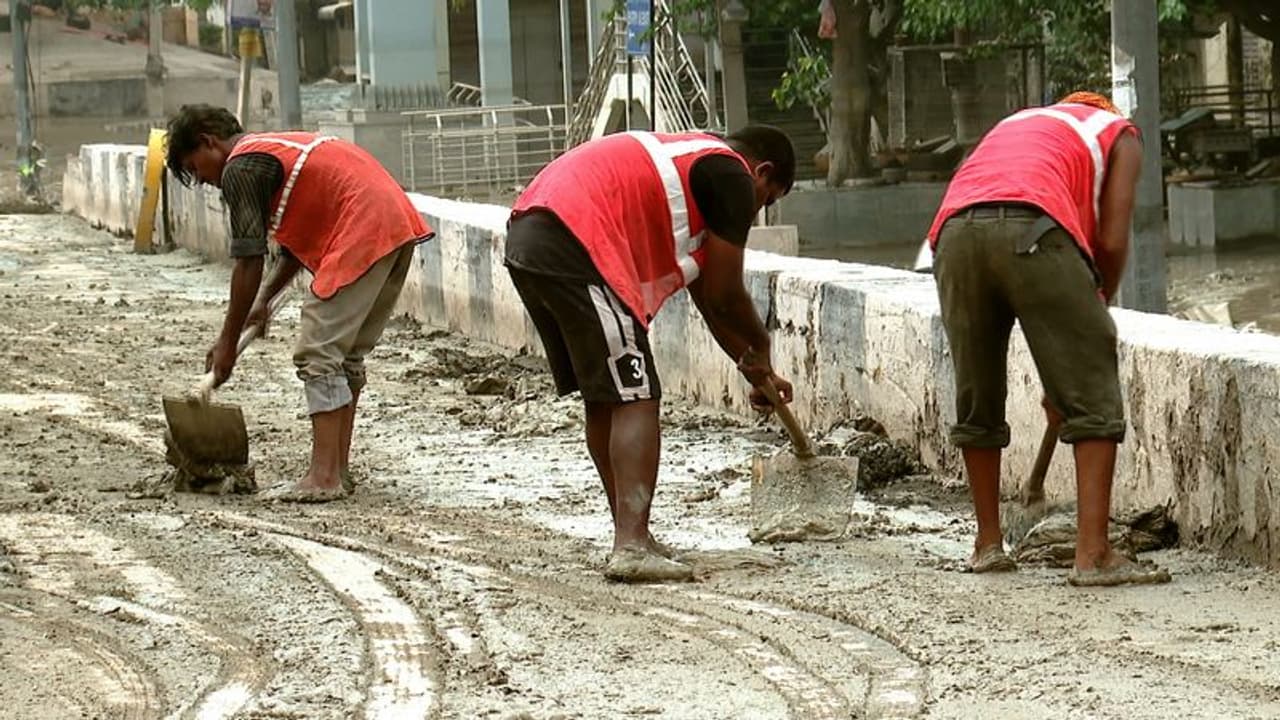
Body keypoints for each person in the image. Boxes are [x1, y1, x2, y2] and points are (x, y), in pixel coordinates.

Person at [505, 126, 797, 583]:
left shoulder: (694, 163)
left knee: (608, 398)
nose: (757, 210)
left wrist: (755, 368)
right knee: (637, 395)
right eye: (768, 199)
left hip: (531, 235)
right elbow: (726, 294)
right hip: (578, 241)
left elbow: (709, 299)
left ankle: (631, 534)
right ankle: (632, 545)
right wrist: (762, 345)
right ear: (762, 172)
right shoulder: (732, 176)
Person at [922, 91, 1170, 586]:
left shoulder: (1022, 122)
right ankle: (1093, 555)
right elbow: (1112, 239)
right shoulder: (1119, 134)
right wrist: (1095, 310)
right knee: (1093, 394)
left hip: (953, 235)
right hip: (1033, 227)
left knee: (977, 391)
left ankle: (987, 545)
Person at [165, 104, 433, 502]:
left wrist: (227, 342)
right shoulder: (276, 150)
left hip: (362, 225)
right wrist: (263, 302)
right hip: (394, 222)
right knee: (344, 356)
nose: (204, 181)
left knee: (318, 353)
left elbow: (248, 261)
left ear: (209, 142)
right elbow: (292, 246)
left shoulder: (241, 167)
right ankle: (337, 470)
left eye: (195, 168)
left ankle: (323, 478)